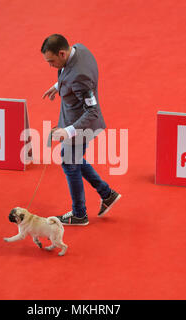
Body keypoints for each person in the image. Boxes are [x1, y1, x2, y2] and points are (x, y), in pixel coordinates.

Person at [41, 34, 121, 226]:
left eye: (51, 61)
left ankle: (79, 214)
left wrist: (68, 131)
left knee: (69, 164)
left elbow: (92, 111)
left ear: (62, 53)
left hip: (80, 127)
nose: (51, 66)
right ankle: (106, 194)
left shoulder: (80, 77)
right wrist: (58, 85)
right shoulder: (79, 48)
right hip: (73, 121)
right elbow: (70, 74)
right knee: (71, 159)